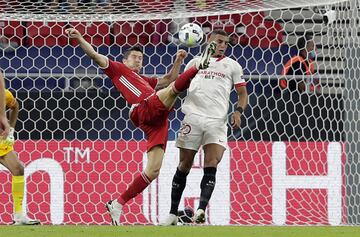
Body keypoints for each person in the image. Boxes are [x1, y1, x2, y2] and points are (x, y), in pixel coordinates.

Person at [65, 28, 216, 225]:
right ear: (125, 60)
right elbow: (94, 55)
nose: (138, 60)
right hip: (144, 109)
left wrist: (178, 59)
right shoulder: (118, 69)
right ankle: (198, 65)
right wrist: (79, 38)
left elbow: (168, 79)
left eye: (141, 58)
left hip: (157, 121)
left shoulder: (144, 80)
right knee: (170, 93)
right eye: (134, 57)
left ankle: (117, 204)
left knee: (153, 171)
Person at [160, 29, 248, 225]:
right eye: (219, 41)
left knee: (212, 164)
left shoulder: (232, 66)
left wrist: (238, 111)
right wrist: (178, 61)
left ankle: (200, 210)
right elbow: (178, 84)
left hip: (217, 122)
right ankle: (173, 214)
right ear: (209, 41)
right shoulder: (195, 62)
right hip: (192, 119)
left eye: (226, 42)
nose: (223, 45)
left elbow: (242, 93)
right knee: (184, 165)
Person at [0, 78, 40, 225]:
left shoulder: (5, 95)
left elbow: (15, 107)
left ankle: (18, 216)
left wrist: (11, 130)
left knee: (18, 169)